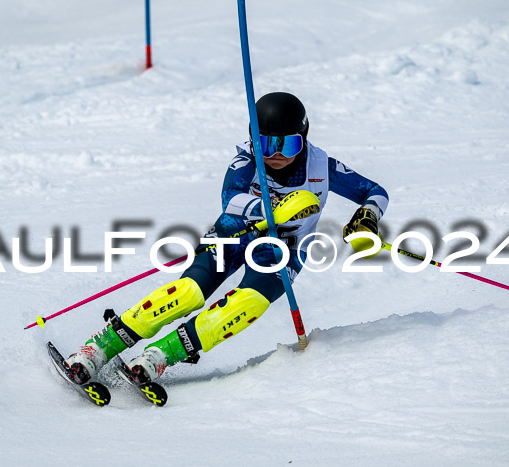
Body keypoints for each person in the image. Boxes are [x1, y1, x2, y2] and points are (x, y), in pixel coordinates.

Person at [63, 92, 389, 385]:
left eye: (287, 144)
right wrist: (272, 212)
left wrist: (368, 216)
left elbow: (375, 192)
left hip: (283, 253)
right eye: (265, 143)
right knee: (188, 293)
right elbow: (229, 197)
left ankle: (162, 355)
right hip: (233, 233)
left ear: (303, 139)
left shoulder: (323, 167)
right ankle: (99, 348)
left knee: (247, 304)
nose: (275, 155)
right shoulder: (246, 160)